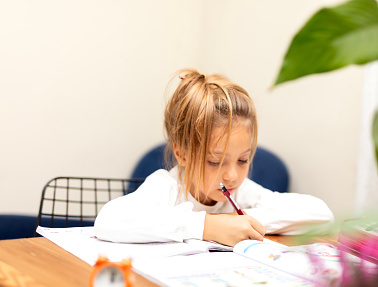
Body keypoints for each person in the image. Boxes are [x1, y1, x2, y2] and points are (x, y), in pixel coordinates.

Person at [94, 69, 334, 246]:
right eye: (214, 161)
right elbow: (108, 220)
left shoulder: (241, 193)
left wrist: (236, 220)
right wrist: (207, 225)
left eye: (243, 160)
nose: (232, 175)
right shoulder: (166, 186)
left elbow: (321, 215)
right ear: (182, 153)